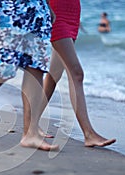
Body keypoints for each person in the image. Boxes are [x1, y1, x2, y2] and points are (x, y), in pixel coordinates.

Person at [0, 0, 59, 151]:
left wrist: (47, 6)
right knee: (4, 67)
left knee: (36, 67)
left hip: (38, 7)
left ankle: (31, 134)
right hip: (7, 6)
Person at [39, 0, 116, 147]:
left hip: (72, 13)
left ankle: (32, 121)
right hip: (56, 13)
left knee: (54, 74)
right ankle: (89, 134)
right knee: (76, 73)